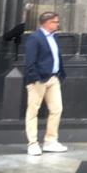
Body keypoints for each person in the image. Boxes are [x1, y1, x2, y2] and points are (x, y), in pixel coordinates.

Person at [23, 12, 67, 156]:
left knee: (57, 109)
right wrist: (36, 78)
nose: (57, 24)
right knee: (33, 111)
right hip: (39, 80)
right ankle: (33, 143)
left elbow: (56, 57)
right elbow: (30, 61)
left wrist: (60, 74)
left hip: (53, 78)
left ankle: (50, 141)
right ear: (47, 23)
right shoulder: (35, 38)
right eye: (55, 22)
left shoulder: (54, 37)